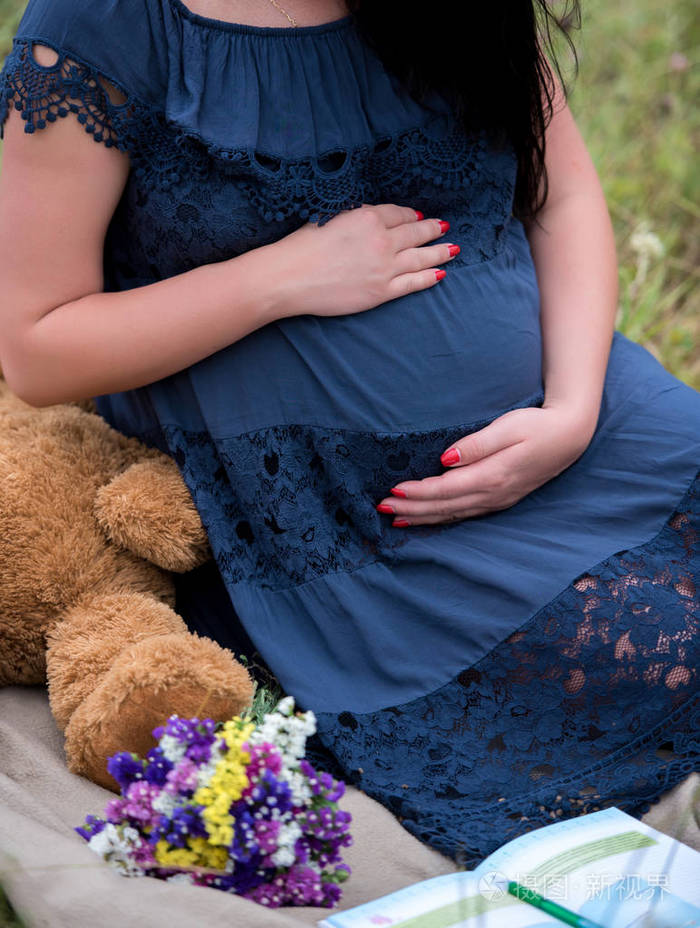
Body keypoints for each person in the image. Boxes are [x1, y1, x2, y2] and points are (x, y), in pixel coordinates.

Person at [0, 0, 698, 866]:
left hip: (589, 432)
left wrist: (572, 410)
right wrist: (280, 278)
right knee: (654, 657)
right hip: (353, 533)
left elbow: (562, 194)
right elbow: (35, 346)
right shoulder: (107, 24)